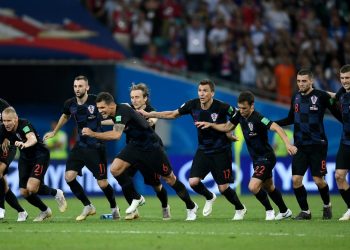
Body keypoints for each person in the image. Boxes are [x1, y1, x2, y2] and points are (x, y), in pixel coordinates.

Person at [138, 79, 247, 220]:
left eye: (205, 91)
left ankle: (240, 208)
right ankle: (209, 196)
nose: (201, 93)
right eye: (200, 90)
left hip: (221, 150)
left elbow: (237, 116)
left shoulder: (222, 107)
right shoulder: (192, 104)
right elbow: (172, 114)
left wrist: (227, 131)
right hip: (203, 149)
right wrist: (149, 114)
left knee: (223, 188)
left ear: (212, 93)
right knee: (193, 182)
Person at [81, 92, 198, 221]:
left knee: (170, 179)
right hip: (135, 146)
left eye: (102, 107)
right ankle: (137, 198)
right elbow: (112, 124)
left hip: (151, 147)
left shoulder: (123, 110)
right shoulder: (115, 113)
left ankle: (191, 206)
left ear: (111, 105)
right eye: (98, 108)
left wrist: (93, 133)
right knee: (115, 169)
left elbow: (116, 135)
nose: (100, 110)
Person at [195, 91, 297, 220]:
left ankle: (269, 210)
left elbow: (277, 127)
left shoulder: (258, 118)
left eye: (244, 108)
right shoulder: (239, 115)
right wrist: (211, 124)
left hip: (266, 157)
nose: (241, 111)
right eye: (240, 107)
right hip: (256, 159)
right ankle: (284, 211)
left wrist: (288, 144)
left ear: (252, 106)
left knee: (253, 187)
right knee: (269, 187)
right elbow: (227, 127)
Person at [43, 75, 118, 221]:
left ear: (87, 88)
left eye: (80, 86)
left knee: (102, 183)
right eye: (75, 86)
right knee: (69, 177)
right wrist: (55, 131)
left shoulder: (96, 101)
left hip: (96, 146)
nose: (77, 89)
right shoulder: (70, 103)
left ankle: (114, 208)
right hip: (80, 145)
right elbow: (65, 116)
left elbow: (112, 112)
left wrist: (117, 124)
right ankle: (88, 205)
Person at [275, 68, 342, 220]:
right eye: (298, 81)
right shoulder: (296, 97)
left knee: (319, 180)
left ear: (311, 81)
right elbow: (291, 118)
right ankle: (305, 211)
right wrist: (273, 124)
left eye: (304, 81)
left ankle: (327, 205)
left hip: (318, 145)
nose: (301, 84)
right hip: (300, 145)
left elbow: (338, 114)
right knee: (296, 180)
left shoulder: (321, 96)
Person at [1, 107, 67, 222]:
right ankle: (45, 210)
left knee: (32, 188)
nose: (6, 123)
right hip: (25, 158)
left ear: (15, 119)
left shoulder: (24, 124)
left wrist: (24, 144)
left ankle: (57, 193)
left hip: (39, 155)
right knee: (24, 191)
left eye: (9, 121)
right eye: (4, 120)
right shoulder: (3, 129)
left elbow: (32, 139)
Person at [124, 83, 170, 220]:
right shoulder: (127, 110)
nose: (134, 100)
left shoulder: (151, 110)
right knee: (123, 178)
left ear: (145, 98)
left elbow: (151, 121)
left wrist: (143, 121)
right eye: (132, 97)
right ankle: (133, 210)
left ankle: (165, 206)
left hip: (148, 152)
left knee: (156, 186)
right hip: (131, 151)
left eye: (137, 97)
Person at [0, 98, 28, 221]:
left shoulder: (2, 103)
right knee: (3, 185)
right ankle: (21, 211)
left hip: (7, 145)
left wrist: (8, 136)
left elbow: (13, 116)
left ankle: (1, 208)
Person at [333, 64, 350, 220]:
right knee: (339, 176)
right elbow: (334, 97)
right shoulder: (342, 94)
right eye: (343, 78)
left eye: (348, 78)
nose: (345, 81)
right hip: (345, 142)